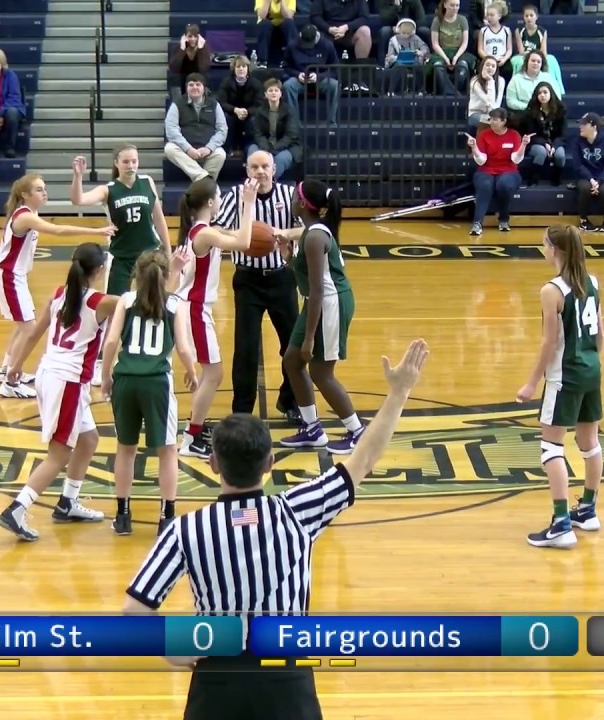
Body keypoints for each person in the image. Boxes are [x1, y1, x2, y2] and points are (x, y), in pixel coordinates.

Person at [122, 338, 430, 719]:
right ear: (270, 462)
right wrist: (400, 391)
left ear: (213, 464)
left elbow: (134, 612)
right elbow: (363, 459)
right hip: (286, 678)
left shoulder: (186, 531)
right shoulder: (297, 511)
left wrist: (177, 651)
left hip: (217, 681)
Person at [0, 243, 123, 541]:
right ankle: (17, 508)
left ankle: (67, 503)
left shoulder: (58, 294)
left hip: (47, 374)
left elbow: (34, 332)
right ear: (100, 270)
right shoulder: (101, 302)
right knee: (59, 453)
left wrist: (15, 365)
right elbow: (139, 301)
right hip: (67, 382)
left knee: (88, 439)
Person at [514, 225, 604, 549]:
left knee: (551, 447)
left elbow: (549, 343)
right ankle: (588, 511)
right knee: (589, 442)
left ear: (554, 249)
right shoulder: (592, 282)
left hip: (564, 375)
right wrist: (591, 364)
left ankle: (562, 523)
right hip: (592, 369)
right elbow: (600, 336)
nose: (542, 247)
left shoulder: (551, 290)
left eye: (544, 244)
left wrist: (531, 382)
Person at [100, 247, 198, 537]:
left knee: (126, 449)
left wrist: (105, 377)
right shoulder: (175, 304)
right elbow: (182, 347)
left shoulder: (126, 301)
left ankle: (122, 515)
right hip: (157, 382)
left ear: (136, 276)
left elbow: (111, 342)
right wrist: (192, 373)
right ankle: (167, 517)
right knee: (167, 451)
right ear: (165, 276)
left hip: (126, 380)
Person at [0, 174, 116, 399]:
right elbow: (58, 231)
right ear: (25, 195)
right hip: (7, 275)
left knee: (23, 325)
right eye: (39, 189)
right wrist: (96, 231)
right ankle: (10, 381)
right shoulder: (25, 216)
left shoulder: (29, 213)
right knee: (30, 329)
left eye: (44, 188)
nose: (44, 192)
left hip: (13, 275)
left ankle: (6, 369)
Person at [213, 151, 302, 423]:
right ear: (247, 169)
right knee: (246, 349)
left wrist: (284, 233)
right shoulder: (236, 195)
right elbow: (218, 230)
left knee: (292, 346)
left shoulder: (289, 196)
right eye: (255, 167)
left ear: (274, 169)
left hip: (282, 276)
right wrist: (247, 236)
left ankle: (290, 401)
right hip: (247, 280)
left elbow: (306, 229)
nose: (260, 171)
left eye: (265, 166)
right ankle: (242, 410)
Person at [278, 179, 364, 454]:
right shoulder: (309, 232)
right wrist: (288, 257)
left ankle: (357, 431)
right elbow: (308, 282)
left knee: (319, 371)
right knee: (292, 360)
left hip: (330, 303)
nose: (291, 200)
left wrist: (310, 339)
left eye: (294, 197)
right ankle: (312, 428)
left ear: (303, 204)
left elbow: (317, 290)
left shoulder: (315, 237)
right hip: (318, 301)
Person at [177, 177, 260, 460]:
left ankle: (194, 429)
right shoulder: (204, 234)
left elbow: (235, 234)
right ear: (211, 203)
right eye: (220, 197)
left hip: (197, 308)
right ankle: (191, 437)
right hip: (195, 309)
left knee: (211, 373)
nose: (222, 200)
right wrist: (248, 204)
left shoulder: (204, 231)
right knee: (214, 373)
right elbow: (245, 241)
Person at [70, 146, 171, 297]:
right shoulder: (108, 190)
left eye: (134, 161)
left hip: (150, 253)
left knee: (154, 299)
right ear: (116, 163)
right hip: (121, 256)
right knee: (114, 303)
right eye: (125, 162)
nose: (130, 166)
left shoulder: (147, 182)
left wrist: (168, 250)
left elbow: (159, 218)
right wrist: (78, 177)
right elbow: (78, 200)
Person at [466, 107, 526, 236]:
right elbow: (481, 160)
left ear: (504, 121)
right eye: (491, 119)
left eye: (495, 120)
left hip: (509, 170)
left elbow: (515, 159)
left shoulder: (514, 135)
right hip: (486, 169)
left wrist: (523, 145)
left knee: (504, 184)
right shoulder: (484, 135)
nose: (492, 122)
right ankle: (477, 223)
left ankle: (504, 219)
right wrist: (474, 147)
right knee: (485, 185)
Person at [571, 112, 604, 233]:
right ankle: (583, 221)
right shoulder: (577, 142)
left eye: (583, 124)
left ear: (593, 126)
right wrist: (591, 179)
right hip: (586, 176)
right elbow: (578, 164)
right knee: (585, 188)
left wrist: (599, 180)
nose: (580, 127)